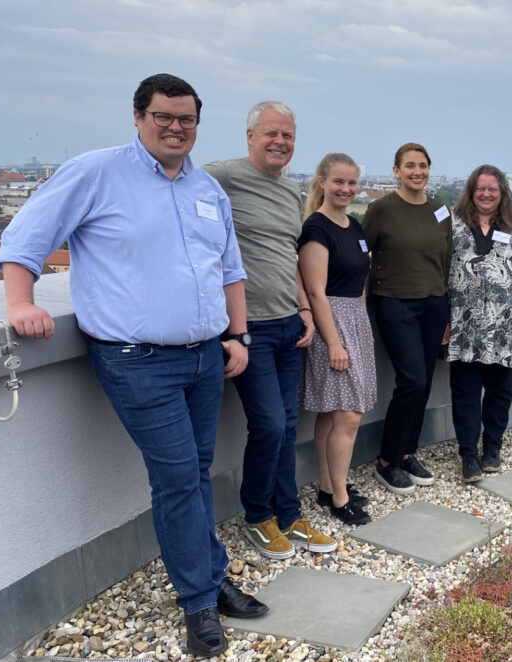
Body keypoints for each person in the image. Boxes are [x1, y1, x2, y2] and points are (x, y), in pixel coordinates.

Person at [0, 74, 267, 658]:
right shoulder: (97, 172)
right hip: (136, 360)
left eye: (186, 119)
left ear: (198, 124)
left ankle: (212, 577)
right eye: (163, 117)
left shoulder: (206, 188)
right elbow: (26, 237)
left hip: (205, 357)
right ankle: (198, 600)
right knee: (175, 478)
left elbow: (229, 269)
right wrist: (20, 303)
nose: (176, 127)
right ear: (138, 117)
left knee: (195, 472)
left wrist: (238, 334)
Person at [202, 101, 338, 561]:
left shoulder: (290, 192)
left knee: (285, 426)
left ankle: (288, 512)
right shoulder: (222, 176)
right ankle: (257, 516)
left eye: (288, 136)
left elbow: (289, 256)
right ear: (250, 135)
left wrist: (303, 309)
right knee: (268, 426)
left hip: (287, 326)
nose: (280, 142)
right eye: (271, 134)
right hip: (248, 328)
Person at [361, 142, 452, 494]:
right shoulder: (380, 209)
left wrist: (446, 311)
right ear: (396, 171)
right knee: (412, 380)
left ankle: (407, 453)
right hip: (395, 304)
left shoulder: (440, 210)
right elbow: (362, 257)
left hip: (434, 305)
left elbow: (446, 261)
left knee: (425, 381)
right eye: (410, 166)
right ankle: (387, 460)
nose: (418, 171)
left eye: (423, 165)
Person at [446, 165, 512, 482]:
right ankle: (468, 456)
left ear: (502, 193)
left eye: (493, 189)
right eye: (480, 188)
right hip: (464, 326)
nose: (486, 194)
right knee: (465, 393)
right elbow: (438, 268)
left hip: (505, 326)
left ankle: (492, 447)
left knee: (500, 393)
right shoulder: (452, 224)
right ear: (471, 191)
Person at [298, 153, 377, 525]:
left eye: (351, 183)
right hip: (331, 323)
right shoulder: (317, 227)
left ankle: (329, 486)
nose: (345, 189)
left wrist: (359, 329)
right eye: (338, 182)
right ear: (322, 183)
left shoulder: (353, 225)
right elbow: (315, 292)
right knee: (348, 413)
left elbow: (359, 281)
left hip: (354, 320)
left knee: (334, 412)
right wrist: (333, 342)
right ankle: (340, 497)